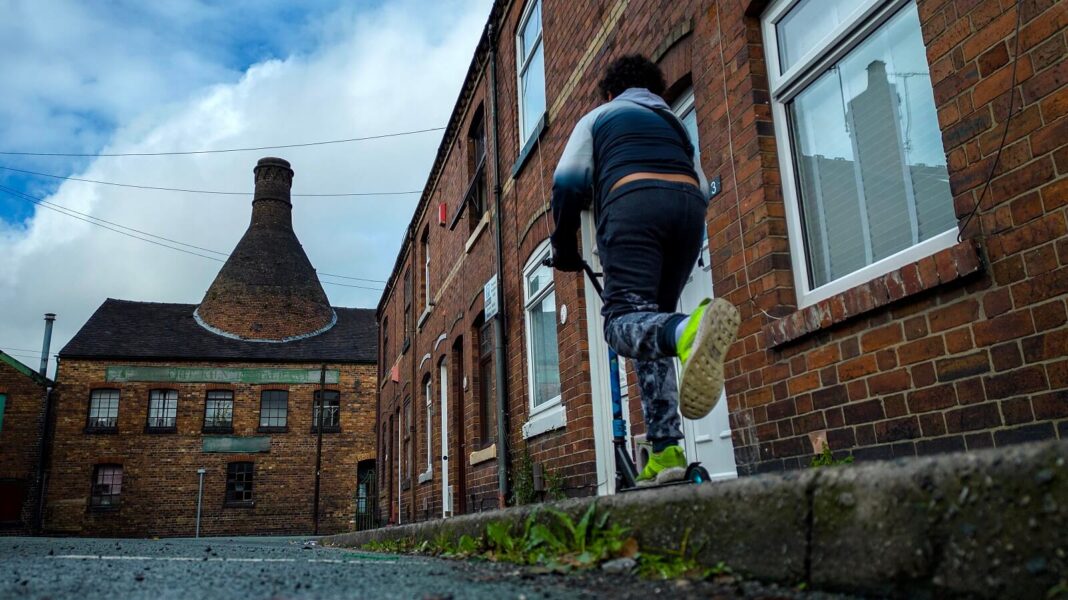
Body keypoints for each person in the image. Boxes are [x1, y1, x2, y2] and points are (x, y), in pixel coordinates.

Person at [549, 54, 740, 486]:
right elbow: (700, 183)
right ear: (653, 90)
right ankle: (667, 451)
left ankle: (691, 330)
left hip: (634, 206)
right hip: (689, 213)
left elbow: (567, 181)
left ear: (612, 92)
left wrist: (563, 246)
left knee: (620, 324)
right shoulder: (674, 124)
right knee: (652, 324)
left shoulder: (600, 115)